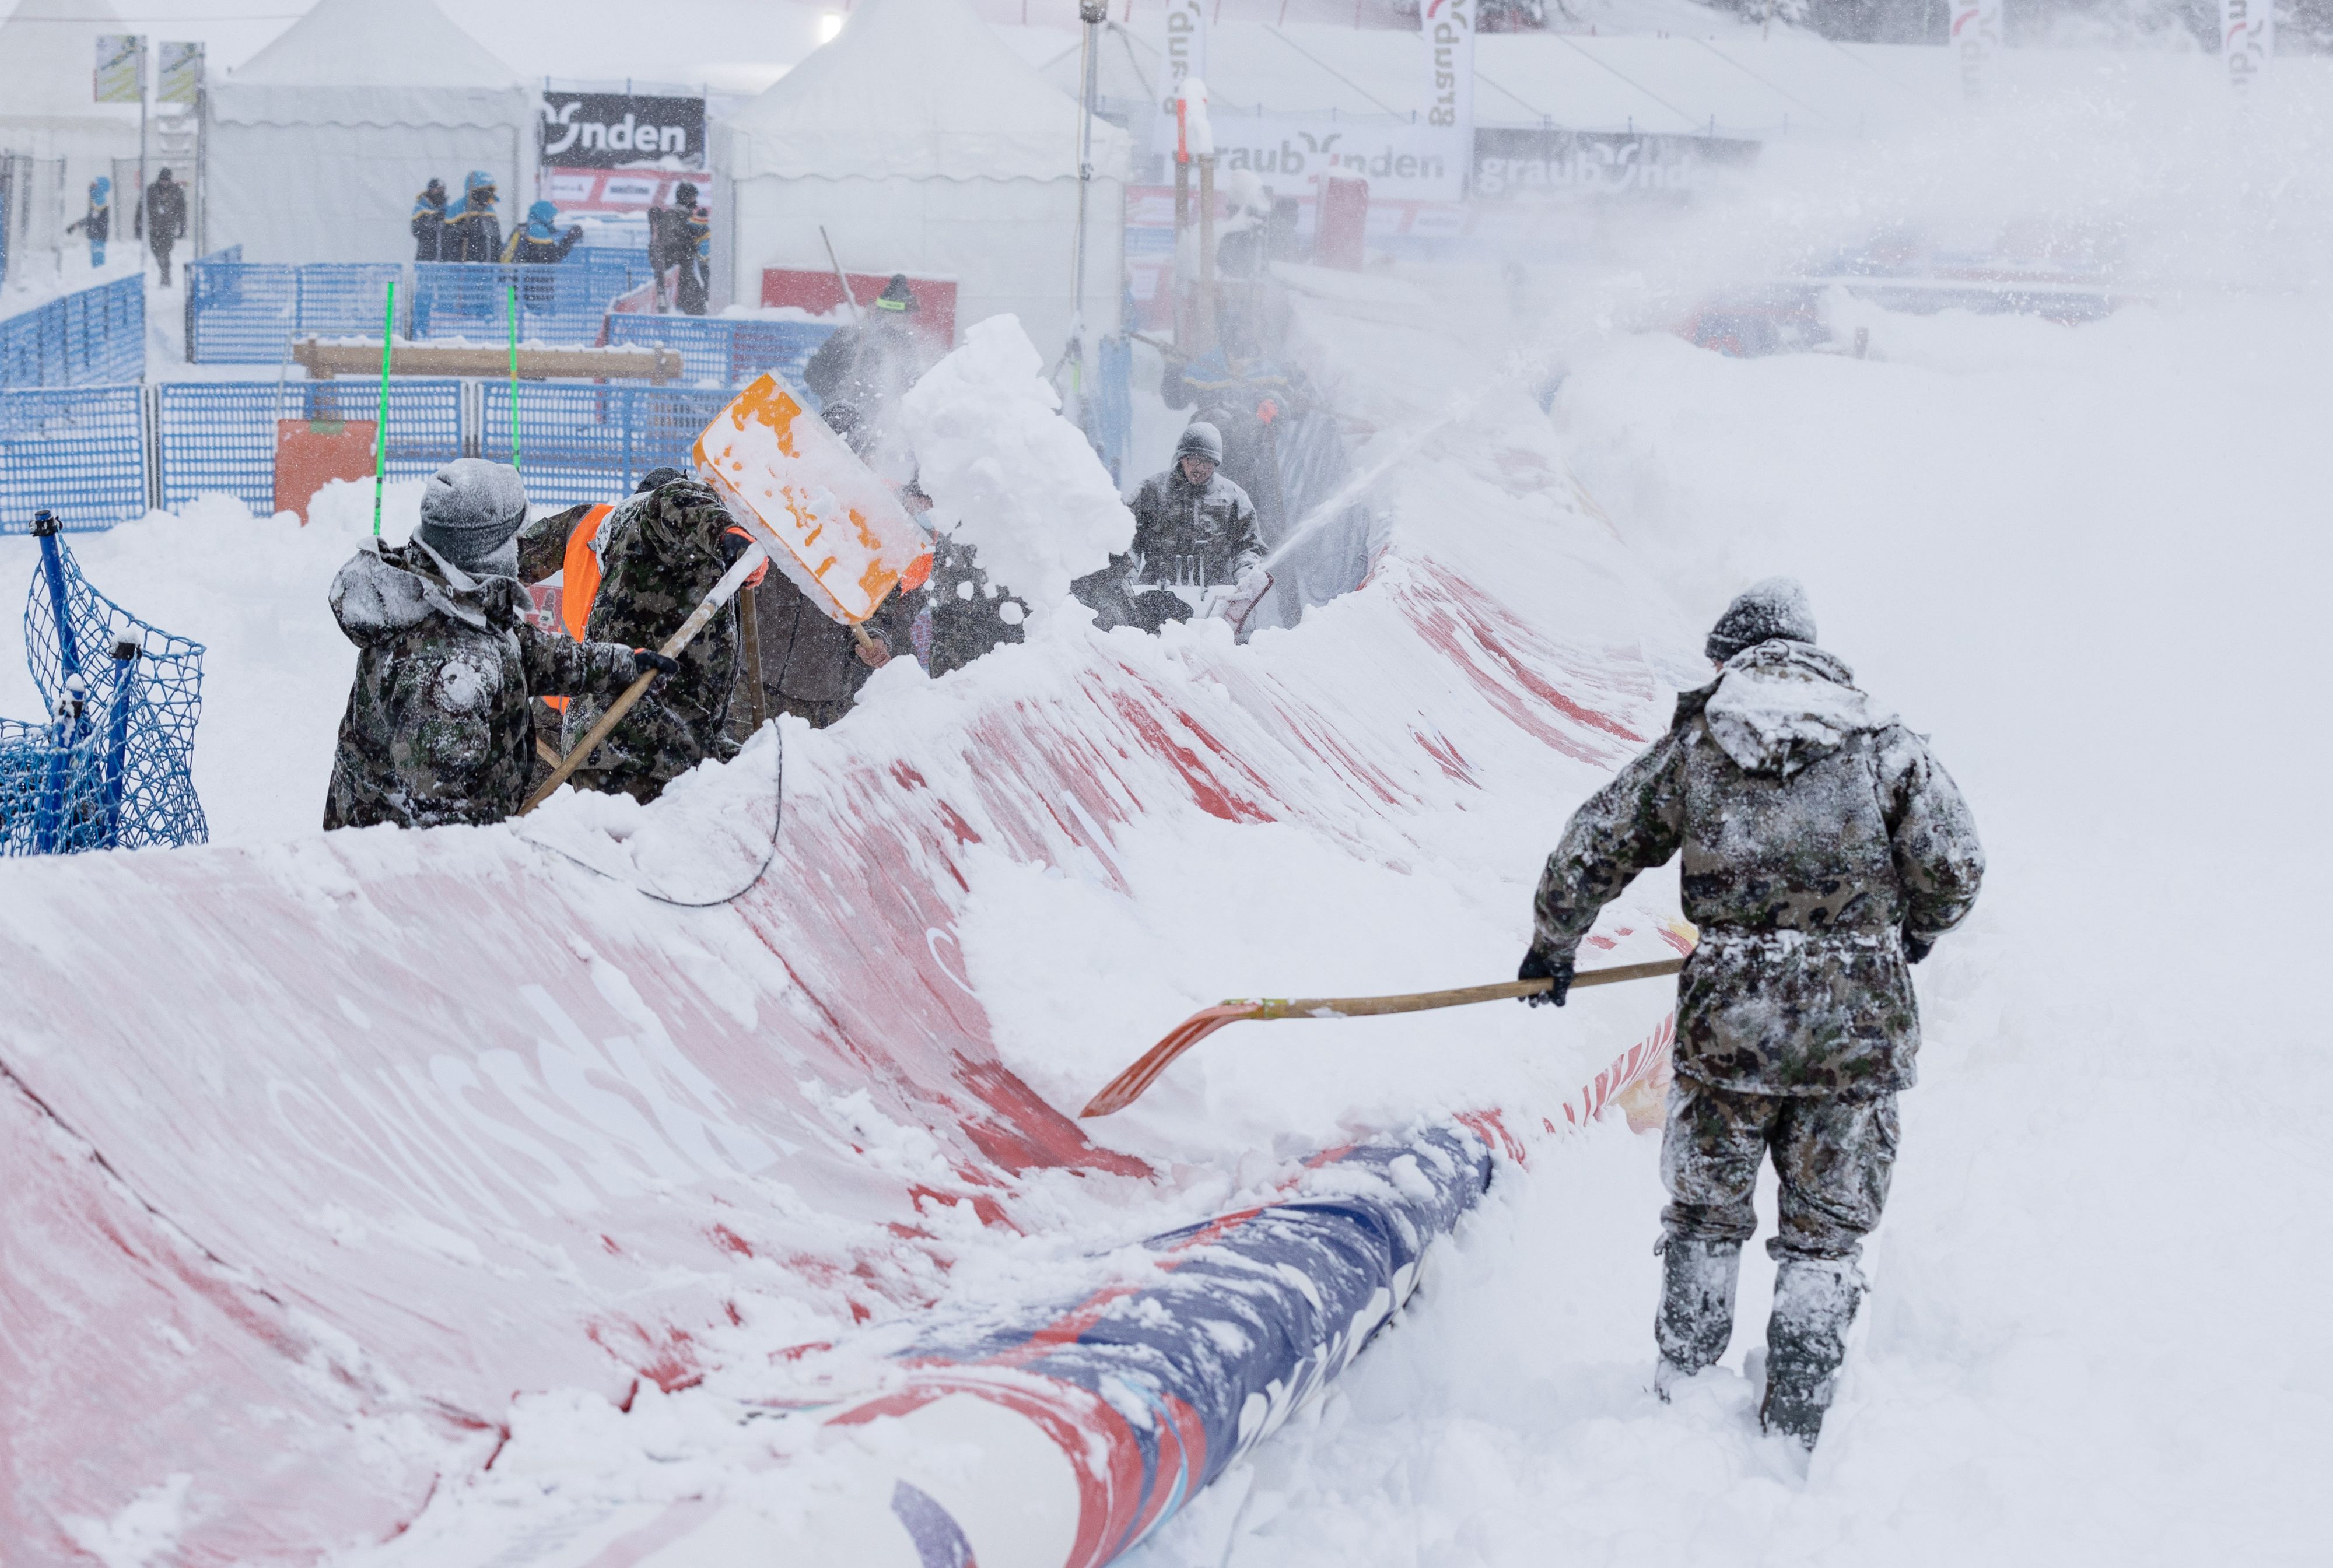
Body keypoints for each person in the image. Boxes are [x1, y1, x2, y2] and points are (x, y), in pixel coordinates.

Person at [1518, 578, 1985, 1449]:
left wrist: (1554, 943)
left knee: (1704, 1216)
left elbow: (1595, 842)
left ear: (1734, 657)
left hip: (1728, 1031)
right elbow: (1955, 867)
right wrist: (1910, 932)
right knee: (1825, 1237)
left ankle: (1683, 1398)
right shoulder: (1882, 743)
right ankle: (1797, 1421)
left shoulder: (1700, 743)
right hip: (1856, 1035)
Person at [323, 460, 663, 831]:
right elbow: (442, 824)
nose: (520, 548)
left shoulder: (447, 594)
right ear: (486, 547)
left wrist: (625, 665)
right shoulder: (451, 669)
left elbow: (529, 654)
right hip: (394, 857)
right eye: (513, 537)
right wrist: (498, 850)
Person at [560, 472, 765, 804]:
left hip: (620, 741)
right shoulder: (663, 510)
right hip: (640, 747)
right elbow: (672, 501)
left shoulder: (625, 544)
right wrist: (730, 535)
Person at [1088, 420, 1265, 634]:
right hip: (1154, 599)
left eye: (1207, 462)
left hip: (1217, 600)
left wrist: (1246, 574)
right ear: (1182, 458)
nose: (1199, 468)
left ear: (1216, 464)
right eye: (1194, 460)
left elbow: (1250, 546)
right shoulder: (1151, 491)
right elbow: (1127, 540)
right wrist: (1127, 575)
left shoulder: (1234, 497)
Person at [802, 274, 942, 424]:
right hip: (844, 421)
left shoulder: (906, 346)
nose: (907, 321)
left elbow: (912, 382)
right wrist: (837, 393)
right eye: (903, 317)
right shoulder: (853, 337)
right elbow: (813, 373)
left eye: (908, 317)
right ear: (888, 313)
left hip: (882, 425)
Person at [440, 171, 502, 265]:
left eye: (489, 191)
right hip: (463, 266)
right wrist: (461, 231)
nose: (486, 195)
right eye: (483, 191)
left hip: (488, 266)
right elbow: (446, 237)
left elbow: (496, 241)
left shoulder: (490, 213)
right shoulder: (458, 209)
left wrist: (498, 260)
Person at [503, 199, 583, 266]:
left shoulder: (523, 228)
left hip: (513, 277)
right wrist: (570, 238)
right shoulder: (538, 231)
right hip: (530, 278)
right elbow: (554, 257)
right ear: (544, 215)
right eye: (551, 216)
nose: (552, 220)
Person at [143, 169, 188, 286]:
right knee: (156, 251)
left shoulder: (176, 191)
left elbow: (181, 210)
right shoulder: (151, 190)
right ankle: (163, 270)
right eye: (162, 180)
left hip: (168, 227)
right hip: (154, 227)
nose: (164, 183)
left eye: (166, 180)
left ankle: (165, 276)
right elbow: (141, 208)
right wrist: (138, 227)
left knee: (165, 252)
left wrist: (182, 227)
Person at [65, 178, 110, 268]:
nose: (91, 186)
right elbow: (92, 218)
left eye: (94, 184)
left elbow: (91, 219)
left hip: (98, 234)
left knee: (98, 260)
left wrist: (76, 225)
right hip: (97, 234)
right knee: (97, 258)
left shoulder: (100, 201)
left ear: (100, 187)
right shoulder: (97, 199)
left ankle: (100, 274)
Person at [410, 177, 447, 262]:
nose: (439, 192)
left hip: (444, 256)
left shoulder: (447, 209)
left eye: (441, 189)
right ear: (431, 191)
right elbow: (416, 231)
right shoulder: (421, 209)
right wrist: (432, 220)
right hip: (426, 254)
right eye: (437, 189)